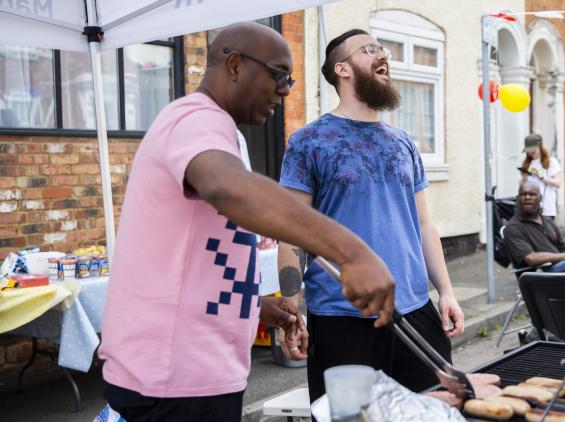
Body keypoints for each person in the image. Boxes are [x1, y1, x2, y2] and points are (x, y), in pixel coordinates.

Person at [98, 23, 396, 422]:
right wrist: (352, 253)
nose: (286, 89)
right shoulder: (193, 119)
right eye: (278, 75)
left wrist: (252, 307)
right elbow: (230, 191)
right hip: (172, 379)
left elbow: (194, 255)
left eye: (289, 79)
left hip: (195, 370)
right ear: (235, 65)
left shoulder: (223, 133)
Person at [277, 28, 464, 402]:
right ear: (342, 69)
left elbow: (424, 224)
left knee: (433, 411)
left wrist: (445, 291)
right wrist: (292, 308)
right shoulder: (309, 142)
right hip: (342, 318)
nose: (383, 56)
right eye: (370, 50)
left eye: (383, 49)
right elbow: (291, 232)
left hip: (414, 311)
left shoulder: (403, 143)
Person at [519, 133, 562, 221]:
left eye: (533, 150)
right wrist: (524, 178)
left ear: (540, 147)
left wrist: (541, 177)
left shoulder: (551, 161)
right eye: (529, 151)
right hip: (529, 209)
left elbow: (558, 183)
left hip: (546, 209)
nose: (531, 153)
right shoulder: (527, 163)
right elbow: (522, 187)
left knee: (544, 234)